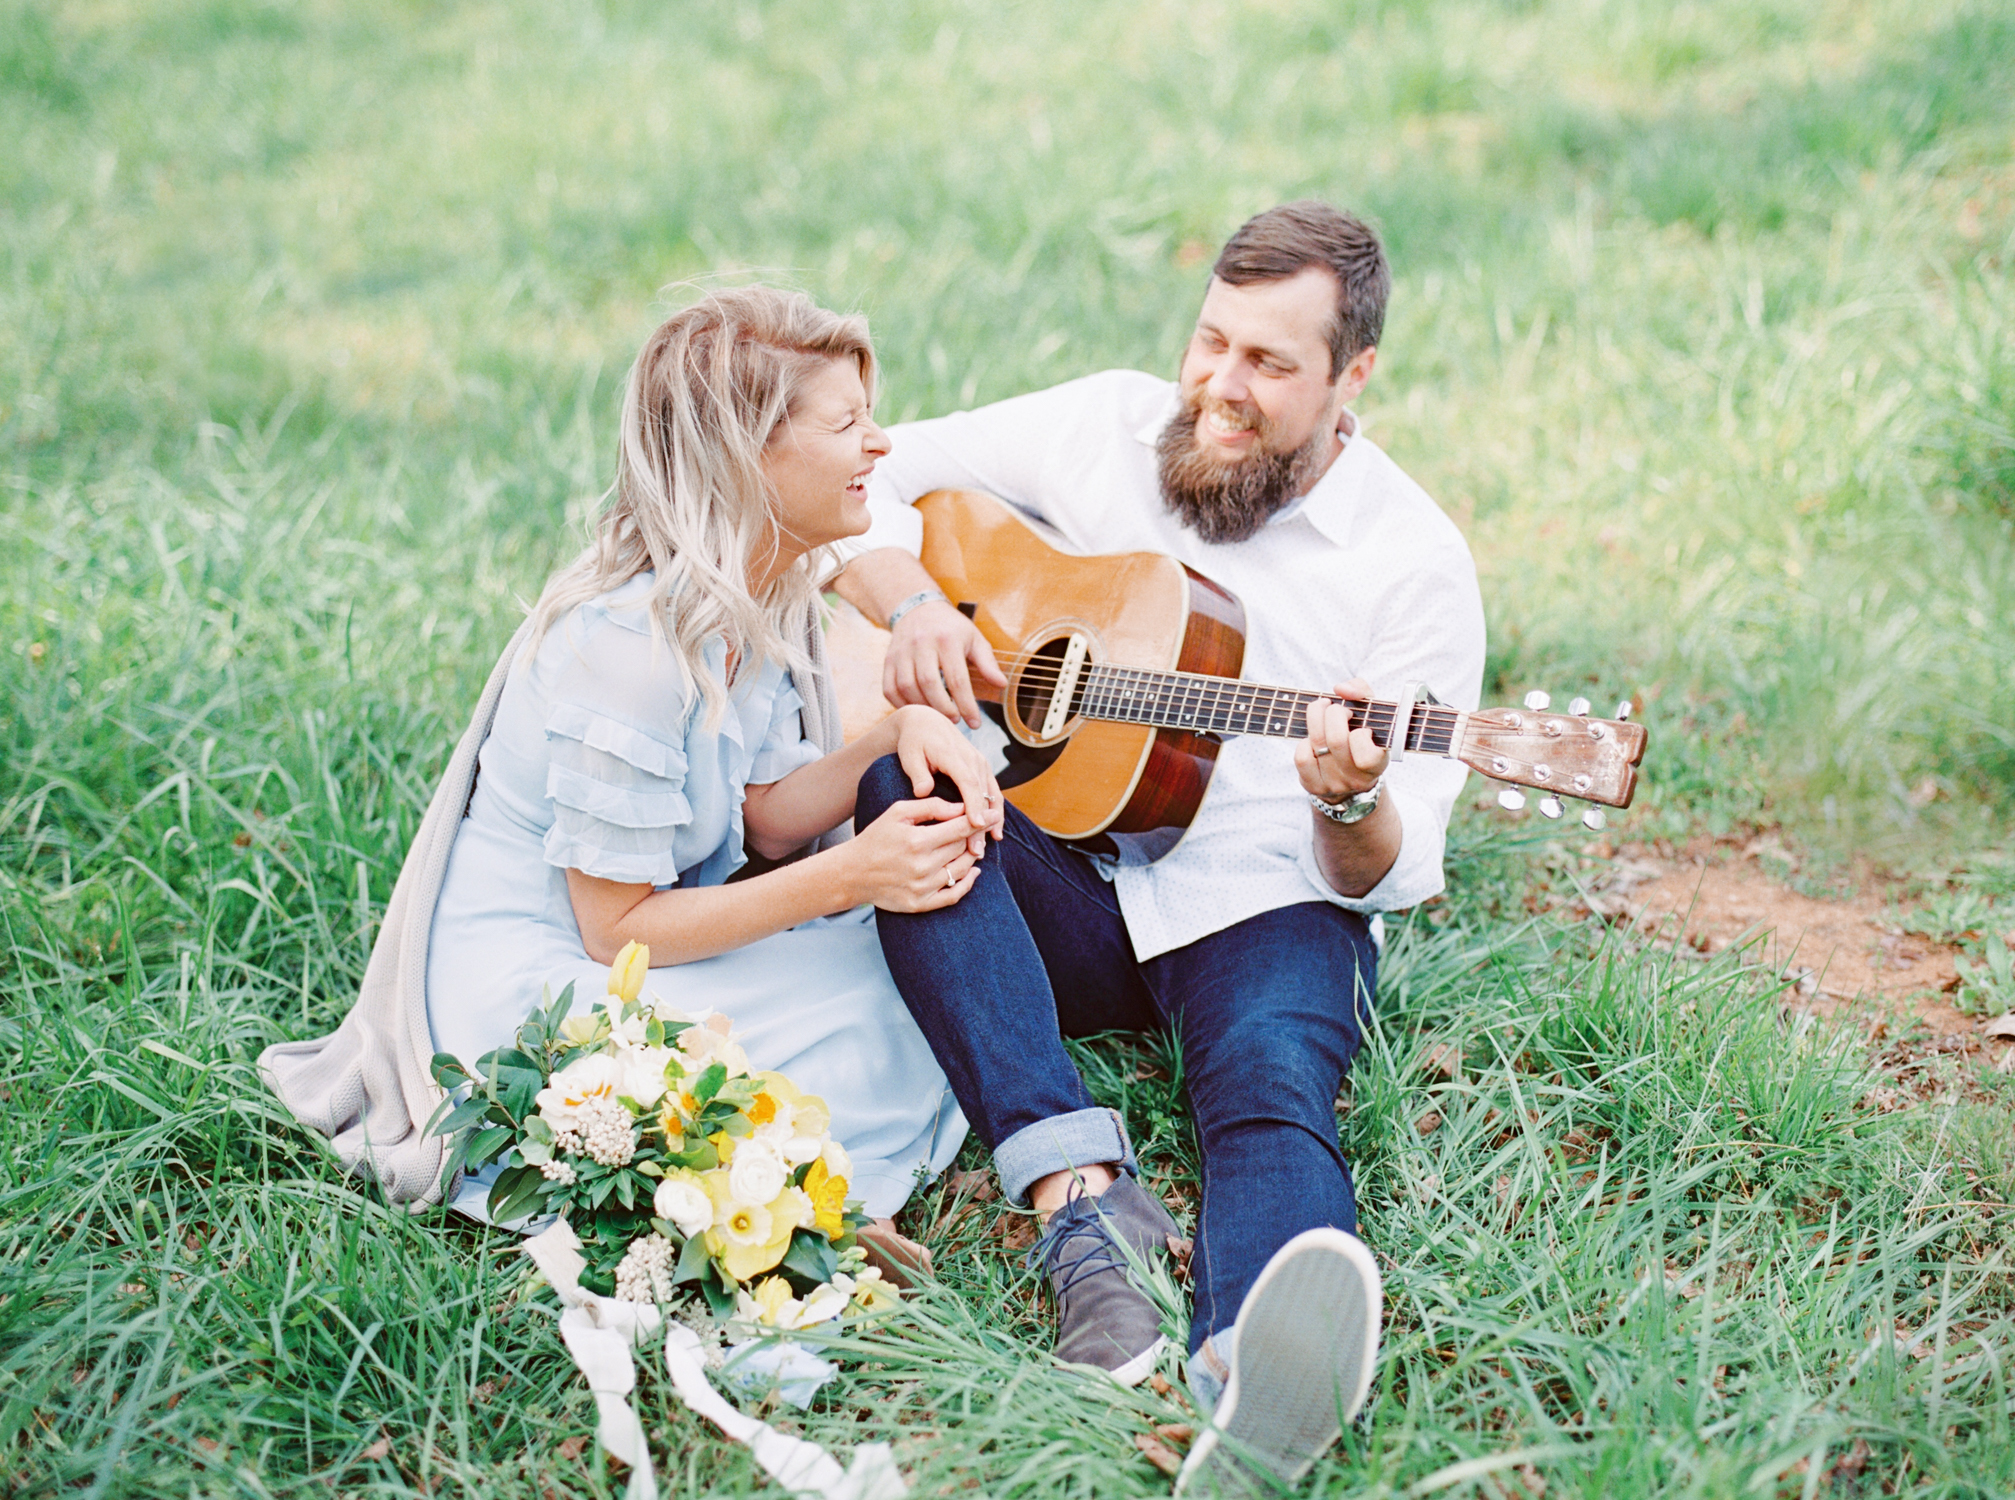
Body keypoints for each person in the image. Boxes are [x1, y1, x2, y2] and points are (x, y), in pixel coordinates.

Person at [831, 202, 1486, 1491]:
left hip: (1262, 898)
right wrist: (909, 598)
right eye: (1210, 343)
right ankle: (1077, 1199)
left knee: (1264, 1087)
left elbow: (1383, 871)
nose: (1218, 390)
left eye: (1268, 366)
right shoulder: (1104, 422)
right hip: (1067, 870)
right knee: (900, 796)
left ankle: (1253, 1376)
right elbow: (872, 476)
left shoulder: (1411, 565)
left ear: (1354, 377)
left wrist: (1345, 800)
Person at [265, 287, 996, 1270]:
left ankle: (783, 1184)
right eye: (847, 424)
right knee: (848, 1010)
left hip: (639, 933)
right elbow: (614, 931)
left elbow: (761, 821)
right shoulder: (632, 652)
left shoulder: (756, 598)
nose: (880, 446)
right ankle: (776, 1203)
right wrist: (851, 875)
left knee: (897, 984)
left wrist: (895, 729)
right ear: (749, 459)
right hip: (537, 977)